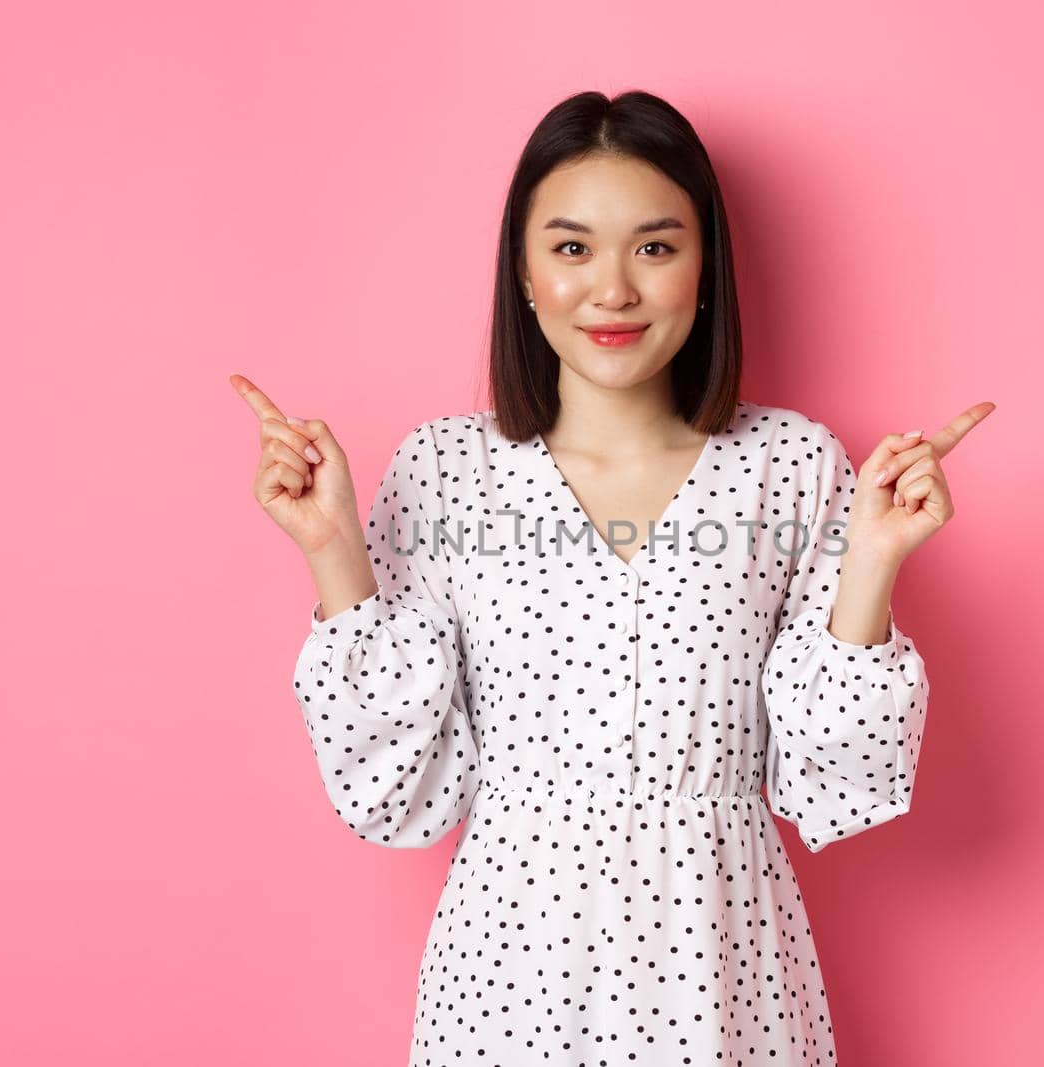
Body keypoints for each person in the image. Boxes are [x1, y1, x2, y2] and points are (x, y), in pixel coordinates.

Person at [231, 89, 992, 1065]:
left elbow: (831, 787)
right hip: (509, 976)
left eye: (656, 246)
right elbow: (396, 788)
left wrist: (872, 562)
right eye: (573, 247)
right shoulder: (446, 470)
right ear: (524, 272)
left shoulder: (790, 466)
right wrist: (332, 547)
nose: (614, 290)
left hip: (720, 961)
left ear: (705, 267)